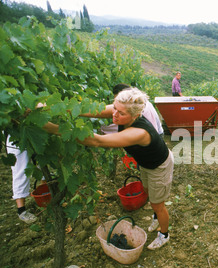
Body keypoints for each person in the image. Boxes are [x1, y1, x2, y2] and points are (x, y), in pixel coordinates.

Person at [43, 88, 174, 249]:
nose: (115, 115)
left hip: (159, 166)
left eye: (121, 113)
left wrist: (54, 129)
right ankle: (155, 216)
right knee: (147, 190)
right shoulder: (122, 112)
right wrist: (49, 107)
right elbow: (90, 111)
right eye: (114, 108)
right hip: (146, 163)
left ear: (134, 116)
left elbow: (98, 141)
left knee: (157, 204)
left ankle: (164, 234)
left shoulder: (139, 132)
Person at [100, 84, 164, 138]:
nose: (119, 101)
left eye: (121, 99)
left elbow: (153, 129)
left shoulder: (140, 108)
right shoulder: (138, 102)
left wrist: (103, 129)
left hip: (157, 134)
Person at [5, 135, 37, 224]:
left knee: (42, 164)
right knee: (21, 169)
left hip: (35, 132)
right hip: (16, 136)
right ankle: (21, 210)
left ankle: (46, 199)